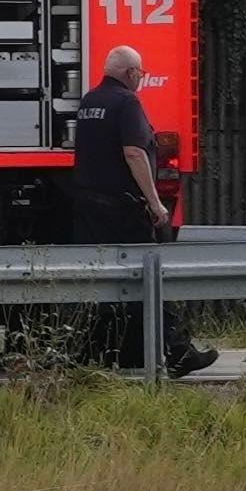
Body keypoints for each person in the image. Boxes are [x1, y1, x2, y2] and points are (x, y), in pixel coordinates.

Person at [73, 44, 213, 376]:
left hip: (91, 208)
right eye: (141, 73)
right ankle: (179, 353)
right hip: (123, 210)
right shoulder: (127, 102)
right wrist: (155, 204)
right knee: (149, 277)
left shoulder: (89, 102)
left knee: (109, 285)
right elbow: (134, 154)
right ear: (131, 73)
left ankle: (104, 354)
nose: (141, 78)